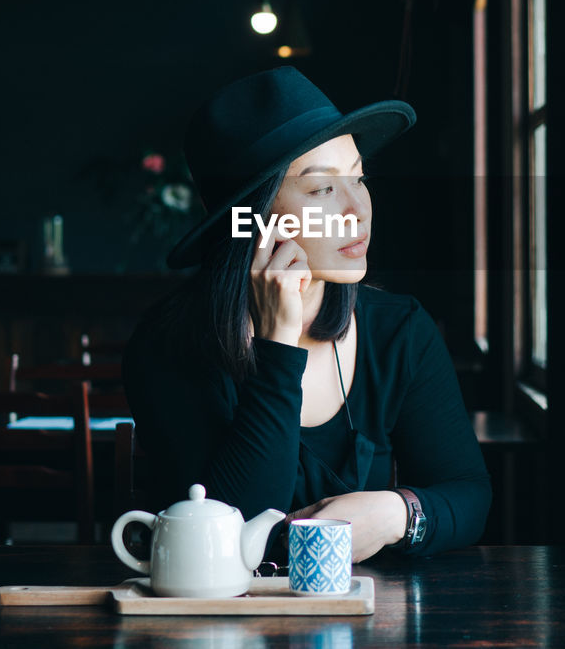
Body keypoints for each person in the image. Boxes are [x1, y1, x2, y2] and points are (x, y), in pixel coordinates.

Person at [123, 66, 491, 563]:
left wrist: (392, 514)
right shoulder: (169, 345)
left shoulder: (399, 331)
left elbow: (469, 495)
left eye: (358, 178)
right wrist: (278, 346)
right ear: (252, 216)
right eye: (321, 189)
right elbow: (229, 534)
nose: (357, 208)